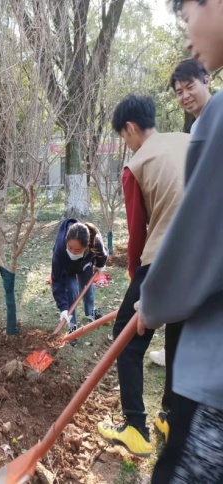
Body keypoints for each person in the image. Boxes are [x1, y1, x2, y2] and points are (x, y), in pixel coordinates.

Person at [137, 0, 223, 481]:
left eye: (188, 13)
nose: (189, 35)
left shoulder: (217, 121)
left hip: (214, 381)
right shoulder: (196, 128)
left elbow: (200, 236)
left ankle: (146, 423)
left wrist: (153, 300)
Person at [97, 96, 190, 458]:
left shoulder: (136, 165)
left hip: (163, 259)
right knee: (178, 337)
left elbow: (137, 233)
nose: (127, 143)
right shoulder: (188, 140)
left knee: (127, 339)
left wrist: (137, 280)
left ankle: (135, 428)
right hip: (204, 260)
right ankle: (173, 418)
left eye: (124, 137)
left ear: (130, 128)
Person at [51, 219, 107, 346]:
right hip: (67, 268)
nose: (72, 252)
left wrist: (100, 265)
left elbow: (102, 255)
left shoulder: (95, 242)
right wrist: (63, 308)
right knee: (71, 291)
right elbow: (57, 280)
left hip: (84, 265)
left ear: (87, 246)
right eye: (70, 247)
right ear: (66, 242)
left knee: (88, 289)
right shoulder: (60, 250)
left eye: (77, 250)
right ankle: (72, 326)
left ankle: (90, 312)